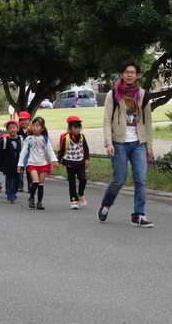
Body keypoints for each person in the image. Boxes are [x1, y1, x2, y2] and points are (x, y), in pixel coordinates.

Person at [98, 59, 154, 228]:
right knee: (119, 179)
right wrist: (109, 143)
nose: (130, 75)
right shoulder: (113, 94)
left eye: (133, 72)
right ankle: (106, 204)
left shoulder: (143, 95)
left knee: (140, 180)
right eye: (127, 72)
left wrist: (149, 145)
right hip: (119, 142)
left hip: (138, 143)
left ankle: (139, 214)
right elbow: (107, 120)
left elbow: (148, 122)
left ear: (137, 75)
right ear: (121, 74)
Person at [17, 117, 59, 210]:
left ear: (42, 128)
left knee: (41, 184)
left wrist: (55, 161)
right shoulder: (29, 139)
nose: (35, 128)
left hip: (42, 164)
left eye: (37, 126)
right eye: (33, 126)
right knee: (35, 181)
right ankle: (31, 198)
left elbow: (50, 151)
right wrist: (20, 164)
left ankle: (39, 202)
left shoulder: (45, 139)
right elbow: (23, 152)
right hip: (32, 163)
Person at [57, 116, 90, 209]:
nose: (77, 130)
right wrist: (58, 161)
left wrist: (87, 159)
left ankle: (80, 194)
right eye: (75, 127)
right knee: (72, 183)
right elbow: (62, 150)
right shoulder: (66, 138)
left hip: (80, 162)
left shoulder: (82, 137)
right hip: (70, 163)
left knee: (83, 179)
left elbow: (86, 149)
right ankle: (74, 201)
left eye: (79, 127)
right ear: (70, 128)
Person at [0, 120, 23, 203]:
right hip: (8, 164)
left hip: (19, 164)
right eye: (10, 128)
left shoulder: (21, 140)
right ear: (7, 130)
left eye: (14, 127)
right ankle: (10, 196)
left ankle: (13, 192)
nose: (12, 129)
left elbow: (25, 151)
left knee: (18, 179)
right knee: (9, 179)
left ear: (18, 128)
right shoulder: (4, 140)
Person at [17, 111, 32, 192]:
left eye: (26, 120)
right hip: (20, 153)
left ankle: (30, 185)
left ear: (29, 121)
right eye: (22, 120)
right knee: (20, 169)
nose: (24, 122)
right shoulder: (17, 132)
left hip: (30, 153)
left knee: (29, 170)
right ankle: (20, 184)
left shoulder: (32, 131)